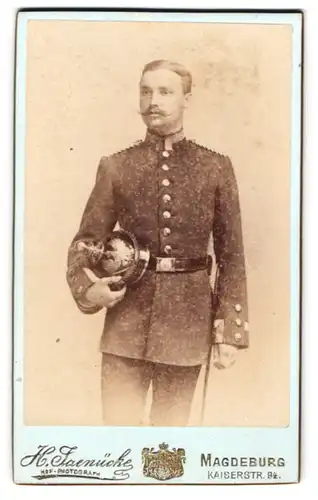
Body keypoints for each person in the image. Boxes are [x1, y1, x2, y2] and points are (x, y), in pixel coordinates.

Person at [66, 59, 249, 426]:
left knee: (169, 442)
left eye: (165, 91)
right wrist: (90, 290)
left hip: (187, 325)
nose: (153, 101)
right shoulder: (117, 166)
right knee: (118, 435)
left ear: (187, 99)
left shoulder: (215, 167)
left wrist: (228, 330)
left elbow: (232, 256)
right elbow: (84, 246)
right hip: (125, 326)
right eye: (146, 91)